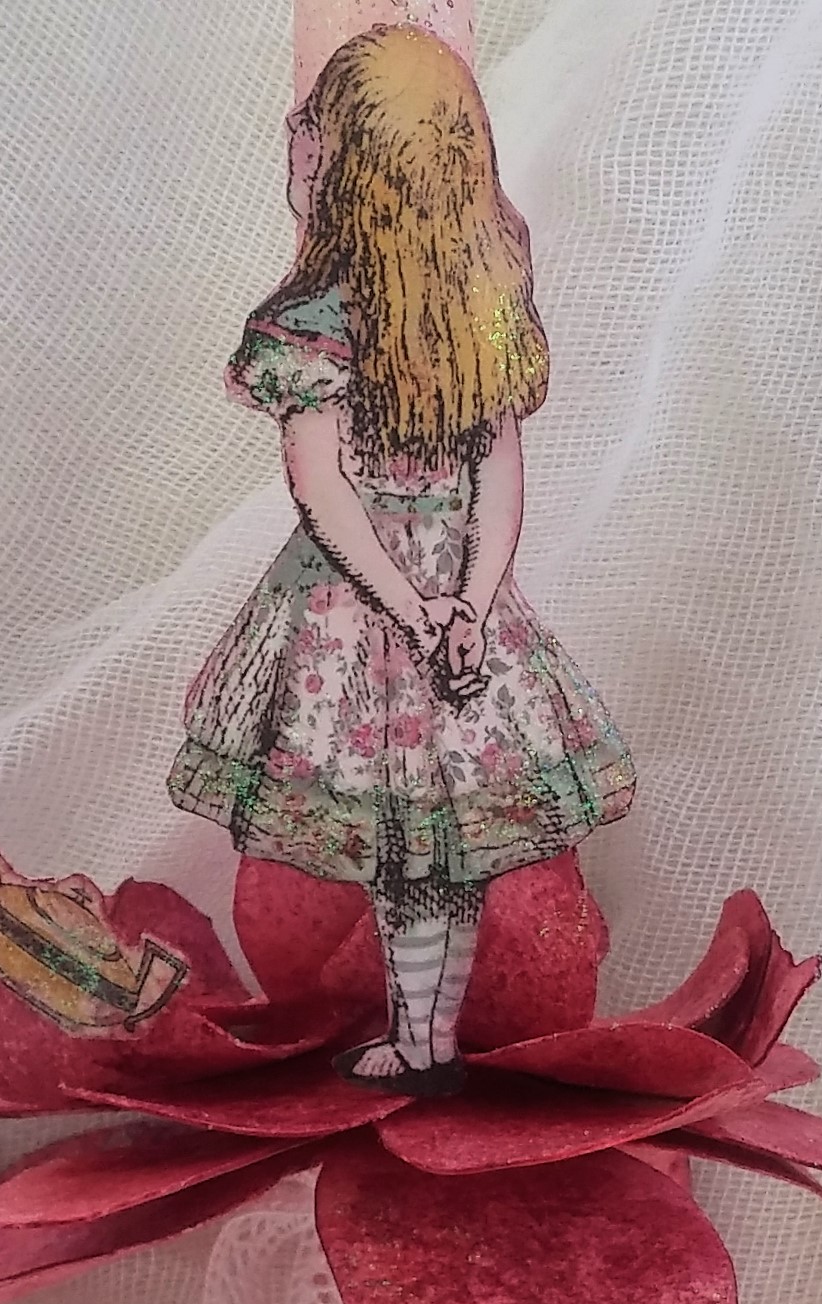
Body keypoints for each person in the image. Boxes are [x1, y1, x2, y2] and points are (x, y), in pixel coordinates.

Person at [168, 23, 635, 1096]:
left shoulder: (314, 320)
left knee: (410, 847)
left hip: (356, 611)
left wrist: (419, 612)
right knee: (438, 848)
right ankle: (425, 1041)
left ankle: (424, 1042)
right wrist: (466, 602)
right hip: (449, 601)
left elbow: (323, 489)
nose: (296, 142)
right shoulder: (478, 306)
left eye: (314, 132)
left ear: (347, 166)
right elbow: (496, 474)